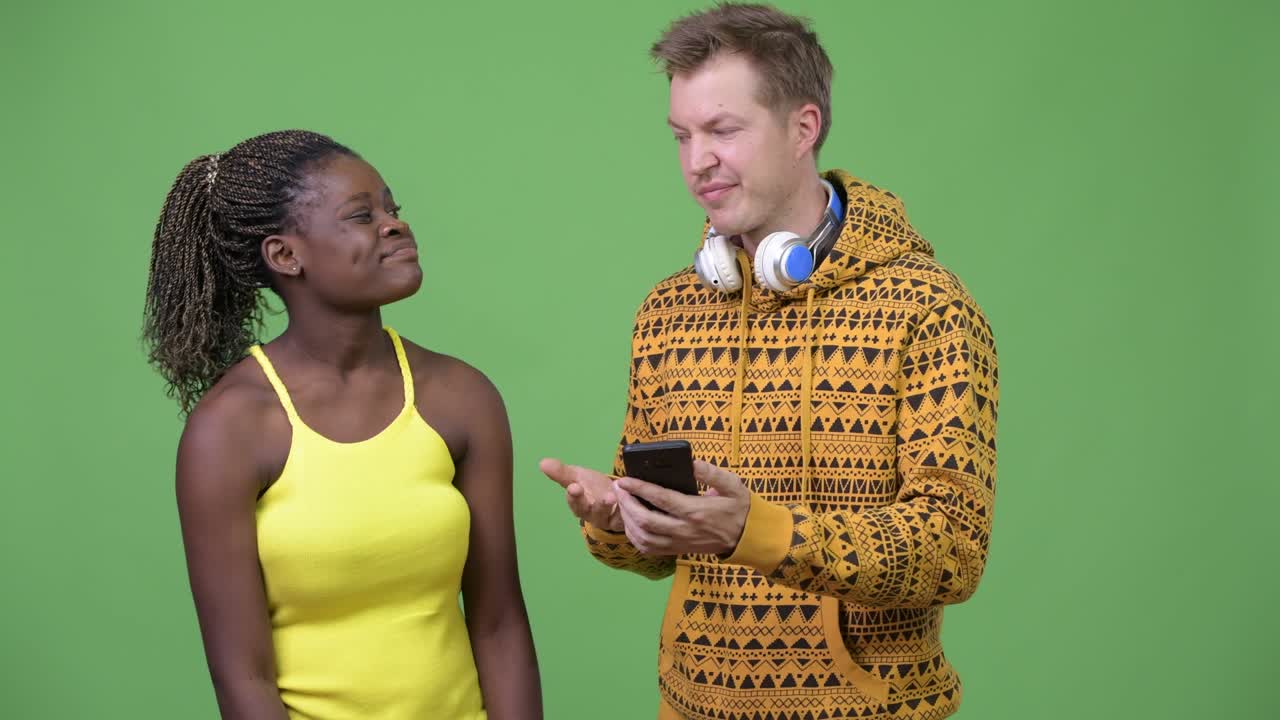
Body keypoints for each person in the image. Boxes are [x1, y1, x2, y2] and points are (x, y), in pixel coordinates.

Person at [540, 5, 998, 719]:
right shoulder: (668, 312)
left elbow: (951, 550)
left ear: (803, 127)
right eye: (682, 136)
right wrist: (618, 519)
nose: (698, 161)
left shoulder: (926, 308)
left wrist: (753, 532)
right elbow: (663, 554)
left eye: (723, 130)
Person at [144, 129, 541, 719]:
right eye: (362, 216)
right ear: (285, 255)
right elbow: (242, 681)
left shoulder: (461, 397)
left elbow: (500, 623)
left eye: (392, 209)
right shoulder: (231, 427)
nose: (394, 225)